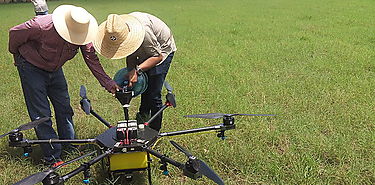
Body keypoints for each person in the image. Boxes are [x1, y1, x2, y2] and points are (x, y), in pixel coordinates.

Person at [8, 5, 119, 166]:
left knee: (64, 108)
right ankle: (52, 157)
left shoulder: (83, 32)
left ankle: (69, 145)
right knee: (42, 114)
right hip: (31, 66)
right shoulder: (41, 25)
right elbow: (14, 33)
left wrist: (108, 83)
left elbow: (91, 59)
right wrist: (16, 56)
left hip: (55, 68)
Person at [94, 12, 177, 131]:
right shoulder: (118, 28)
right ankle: (143, 116)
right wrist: (131, 70)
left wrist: (137, 70)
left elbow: (157, 57)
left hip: (162, 49)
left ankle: (154, 130)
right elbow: (130, 53)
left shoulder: (144, 32)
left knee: (154, 92)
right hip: (146, 46)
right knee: (145, 85)